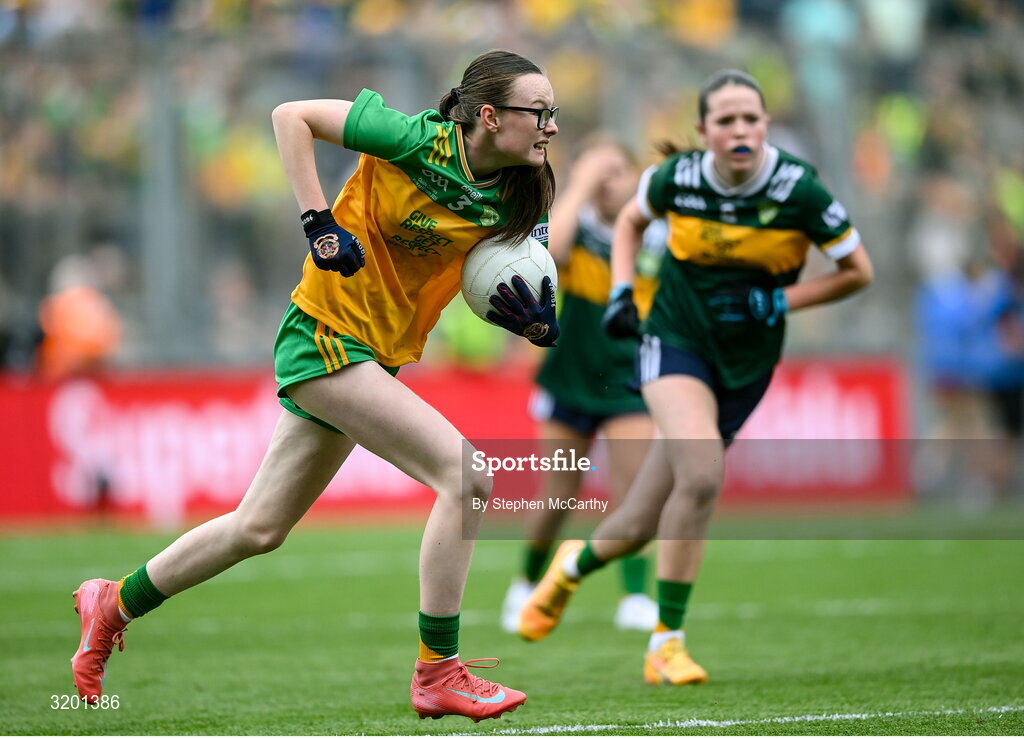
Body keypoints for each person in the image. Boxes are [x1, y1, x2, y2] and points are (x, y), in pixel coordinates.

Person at [70, 49, 561, 722]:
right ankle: (438, 670)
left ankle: (113, 600)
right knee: (467, 474)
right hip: (326, 335)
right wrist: (318, 222)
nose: (551, 127)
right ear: (488, 115)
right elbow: (290, 115)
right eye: (540, 113)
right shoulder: (415, 139)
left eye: (552, 114)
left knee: (259, 526)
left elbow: (512, 280)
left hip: (374, 354)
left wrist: (537, 325)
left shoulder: (522, 190)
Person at [518, 69, 873, 686]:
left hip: (748, 361)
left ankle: (570, 568)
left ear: (765, 125)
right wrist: (625, 292)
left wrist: (785, 303)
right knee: (703, 475)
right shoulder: (674, 178)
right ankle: (667, 643)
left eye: (751, 119)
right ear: (703, 131)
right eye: (726, 120)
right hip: (673, 342)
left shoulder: (800, 191)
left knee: (639, 521)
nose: (740, 129)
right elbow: (630, 221)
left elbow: (857, 271)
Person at [500, 136, 662, 633]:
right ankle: (526, 585)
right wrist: (581, 180)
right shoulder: (580, 227)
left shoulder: (655, 236)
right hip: (569, 378)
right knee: (557, 499)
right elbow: (553, 247)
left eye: (617, 172)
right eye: (601, 175)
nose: (608, 184)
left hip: (629, 381)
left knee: (636, 496)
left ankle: (635, 596)